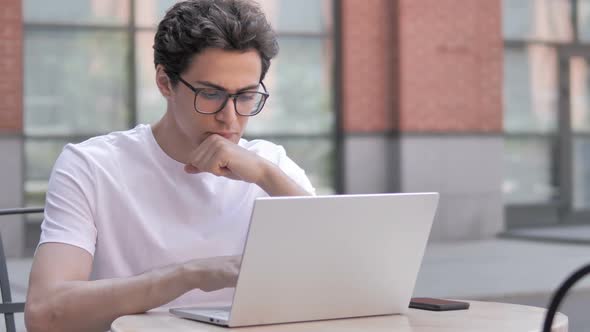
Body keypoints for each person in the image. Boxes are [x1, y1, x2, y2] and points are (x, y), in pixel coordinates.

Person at [24, 1, 314, 331]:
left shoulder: (269, 164)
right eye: (210, 94)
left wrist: (266, 176)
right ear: (165, 82)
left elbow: (339, 273)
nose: (230, 117)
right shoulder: (92, 166)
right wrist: (191, 275)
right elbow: (45, 312)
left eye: (246, 96)